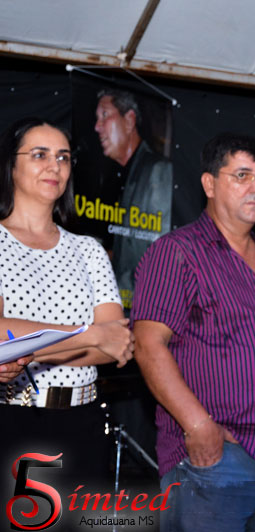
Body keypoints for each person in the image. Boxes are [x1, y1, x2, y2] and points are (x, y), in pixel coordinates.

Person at [131, 132, 255, 532]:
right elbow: (148, 345)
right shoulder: (177, 252)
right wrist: (199, 426)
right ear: (209, 184)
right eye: (242, 175)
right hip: (217, 459)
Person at [0, 117, 134, 514]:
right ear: (11, 165)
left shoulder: (88, 249)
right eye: (39, 155)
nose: (54, 166)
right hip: (13, 419)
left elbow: (115, 345)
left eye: (63, 157)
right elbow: (2, 334)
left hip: (83, 421)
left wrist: (28, 346)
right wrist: (89, 334)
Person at [93, 89, 173, 310]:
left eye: (104, 115)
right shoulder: (125, 172)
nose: (97, 127)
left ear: (129, 120)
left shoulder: (157, 171)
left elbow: (159, 255)